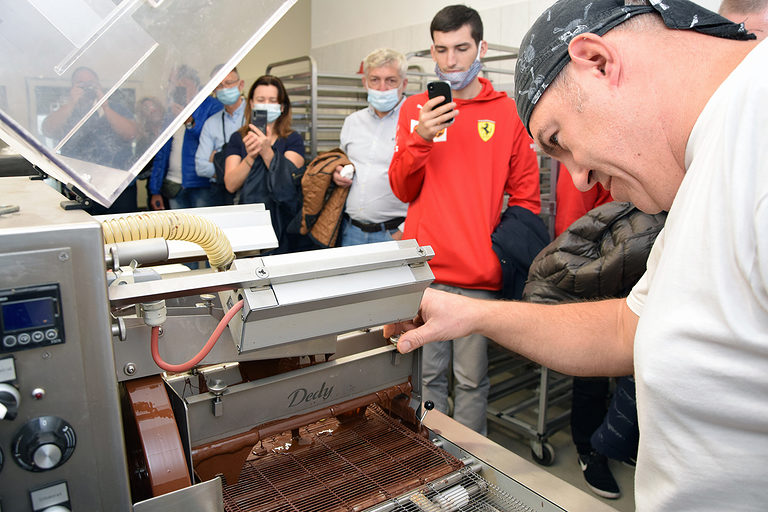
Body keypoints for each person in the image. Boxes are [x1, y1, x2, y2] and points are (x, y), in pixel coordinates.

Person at [386, 0, 765, 510]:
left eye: (559, 140)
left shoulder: (754, 143)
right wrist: (472, 312)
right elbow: (628, 328)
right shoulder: (710, 160)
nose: (580, 178)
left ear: (598, 61)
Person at [388, 5, 542, 435]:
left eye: (461, 48)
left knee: (473, 381)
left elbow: (527, 196)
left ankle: (470, 465)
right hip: (427, 271)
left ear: (481, 48)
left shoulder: (507, 113)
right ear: (432, 53)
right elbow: (401, 188)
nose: (451, 60)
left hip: (479, 275)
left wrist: (497, 252)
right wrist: (420, 137)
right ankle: (428, 457)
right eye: (441, 50)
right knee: (428, 377)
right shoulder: (416, 110)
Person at [331, 48, 409, 246]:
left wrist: (403, 232)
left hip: (394, 233)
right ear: (365, 83)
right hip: (350, 231)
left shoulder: (416, 122)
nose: (382, 88)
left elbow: (430, 185)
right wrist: (338, 174)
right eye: (375, 79)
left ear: (404, 83)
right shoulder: (352, 122)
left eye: (391, 80)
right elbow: (344, 162)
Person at [223, 75, 307, 253]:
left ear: (282, 107)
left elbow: (289, 185)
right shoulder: (238, 138)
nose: (266, 104)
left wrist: (267, 150)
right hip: (248, 223)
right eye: (261, 100)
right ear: (252, 104)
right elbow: (230, 184)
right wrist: (251, 156)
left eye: (272, 100)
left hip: (284, 225)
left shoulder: (292, 139)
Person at [41, 66, 138, 214]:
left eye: (91, 83)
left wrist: (104, 106)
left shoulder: (115, 107)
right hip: (80, 187)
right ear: (72, 87)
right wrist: (72, 102)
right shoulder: (67, 111)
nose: (87, 87)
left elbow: (131, 133)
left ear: (98, 85)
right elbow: (47, 130)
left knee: (124, 232)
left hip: (119, 188)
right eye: (81, 83)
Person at [148, 65, 223, 210]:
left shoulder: (212, 106)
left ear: (189, 80)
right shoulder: (171, 111)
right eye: (171, 82)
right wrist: (155, 190)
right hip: (173, 185)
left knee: (204, 230)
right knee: (180, 231)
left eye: (174, 80)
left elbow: (214, 141)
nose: (173, 85)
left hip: (202, 185)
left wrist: (189, 121)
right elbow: (162, 151)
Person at [195, 66, 246, 206]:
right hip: (220, 194)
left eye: (229, 83)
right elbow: (201, 167)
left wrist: (217, 160)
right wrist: (237, 171)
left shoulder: (254, 117)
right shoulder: (211, 124)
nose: (224, 89)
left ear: (240, 85)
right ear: (214, 90)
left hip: (251, 191)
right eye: (218, 85)